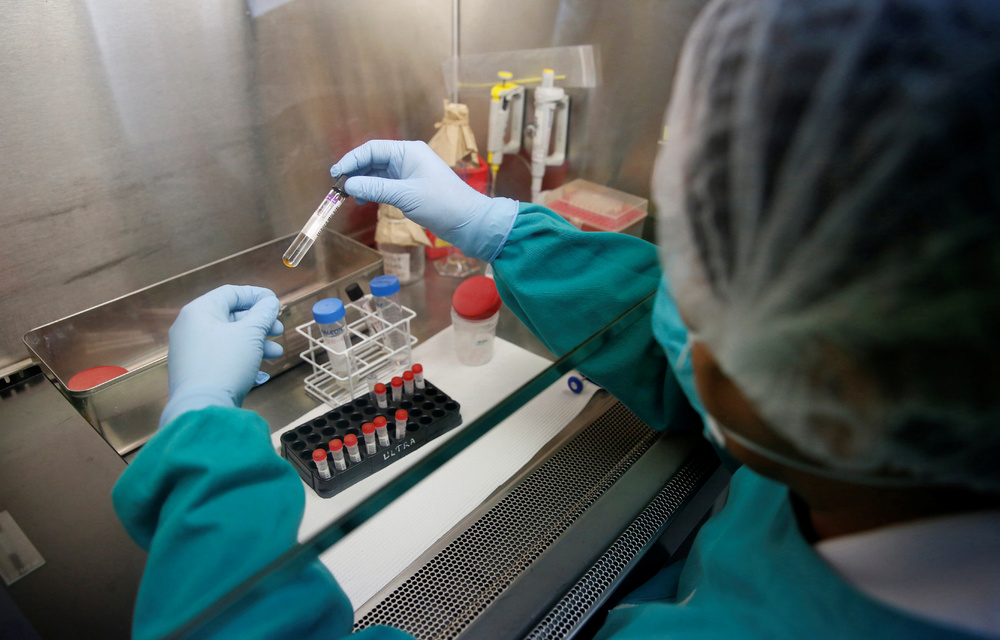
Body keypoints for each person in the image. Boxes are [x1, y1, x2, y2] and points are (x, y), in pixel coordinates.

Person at [112, 0, 1000, 637]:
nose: (664, 294)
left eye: (692, 268)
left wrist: (198, 434)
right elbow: (728, 370)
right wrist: (502, 228)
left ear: (782, 375)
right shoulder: (893, 436)